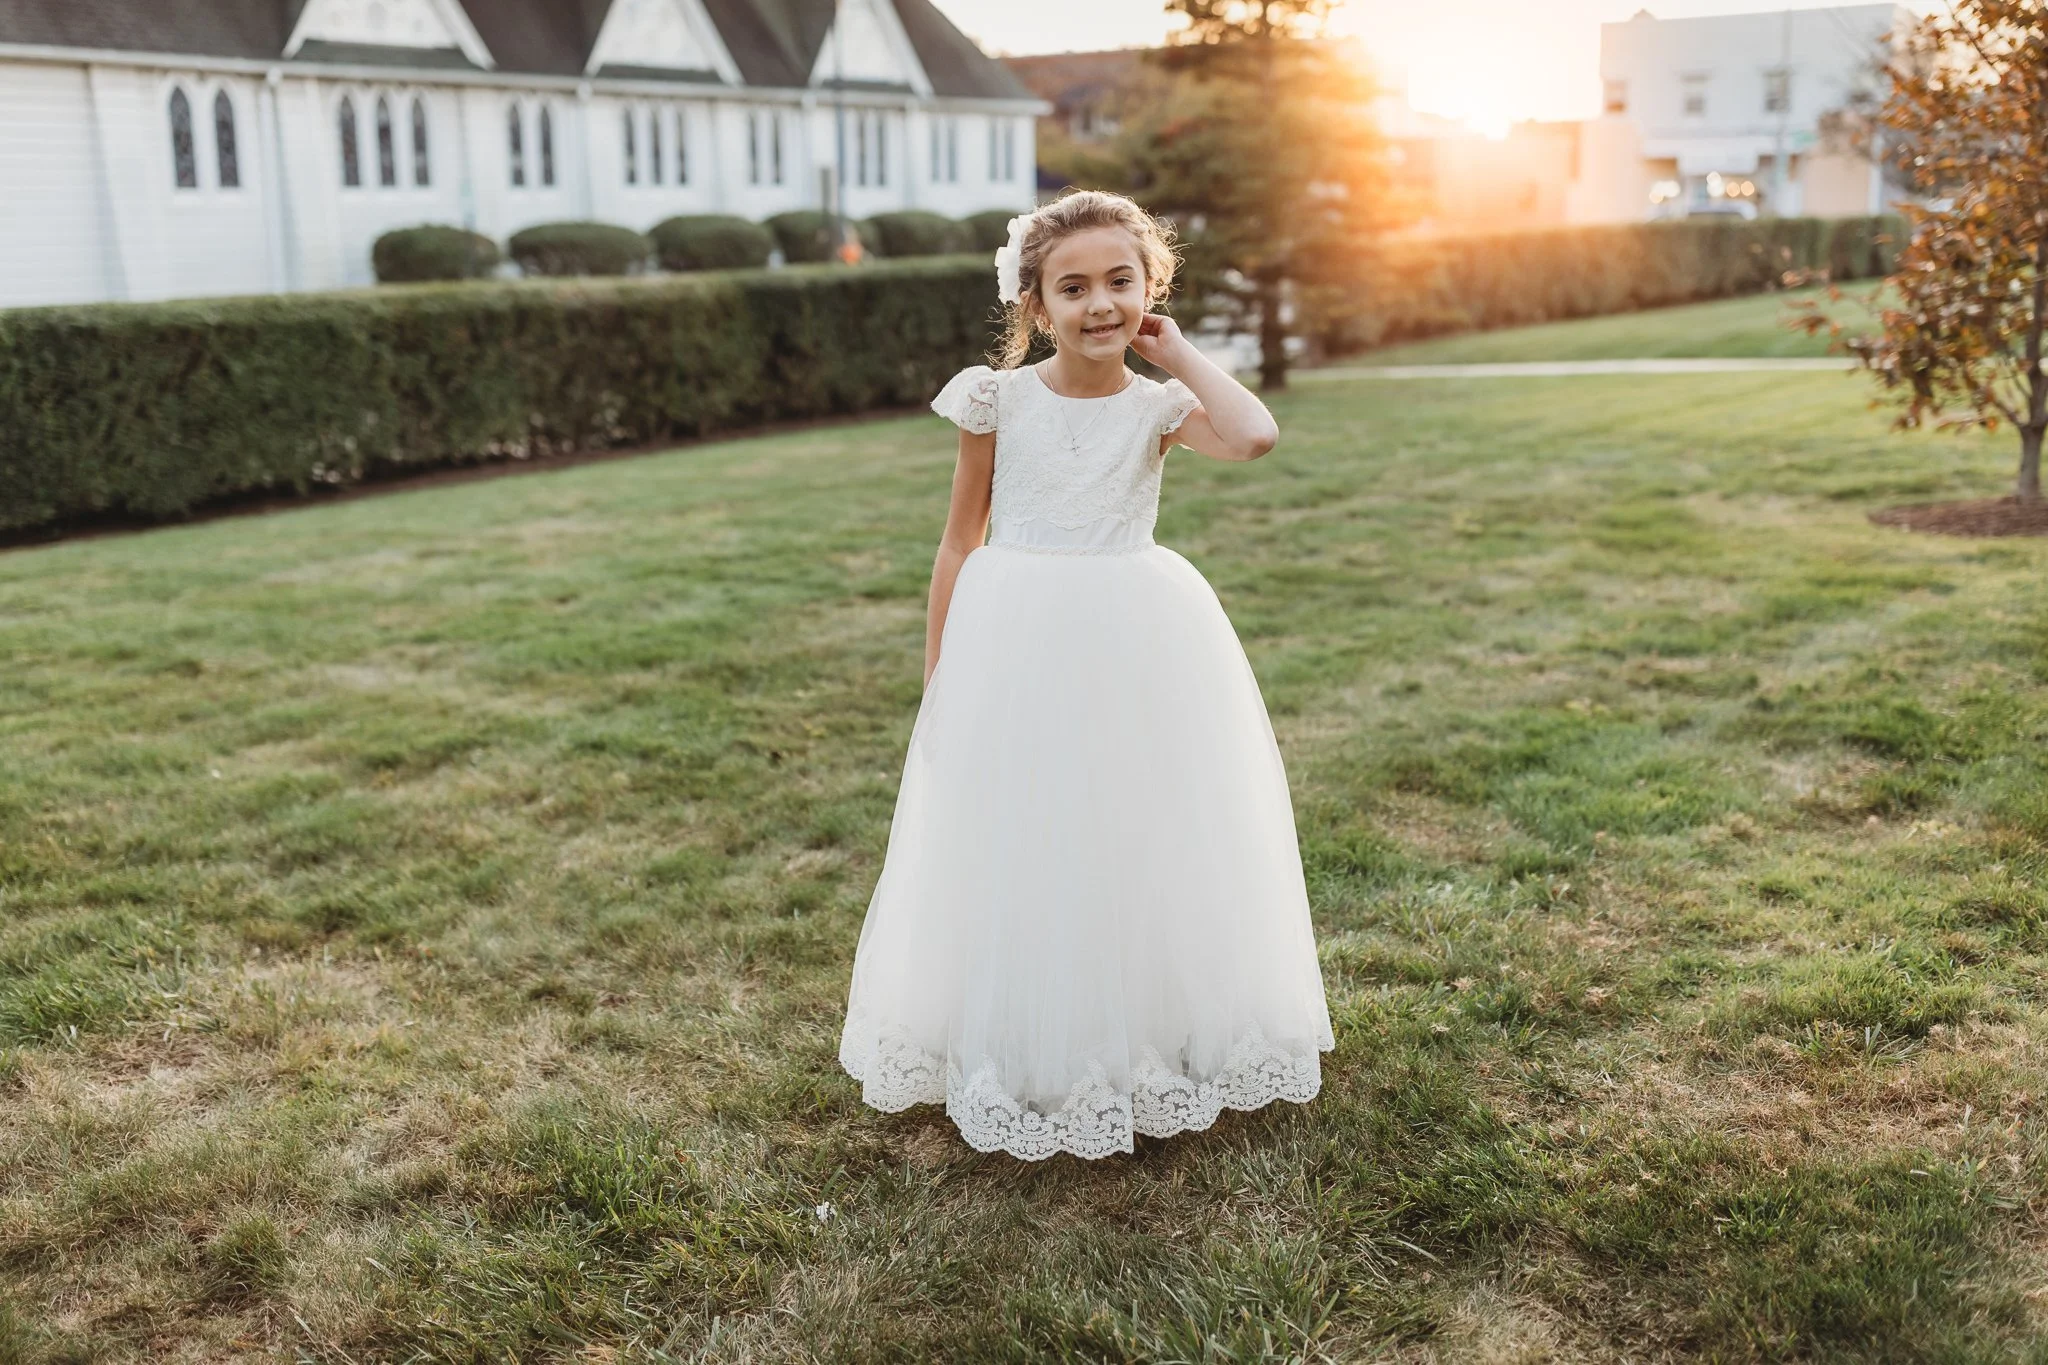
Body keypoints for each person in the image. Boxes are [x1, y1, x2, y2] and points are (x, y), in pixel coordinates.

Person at [837, 188, 1335, 1161]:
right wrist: (939, 672)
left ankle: (1139, 1028)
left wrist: (1178, 353)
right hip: (1011, 639)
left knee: (1129, 827)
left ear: (1149, 292)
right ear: (1035, 308)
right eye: (1072, 288)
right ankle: (1017, 1035)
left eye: (1120, 282)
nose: (1098, 304)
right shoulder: (995, 400)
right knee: (1020, 831)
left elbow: (1254, 437)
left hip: (1132, 637)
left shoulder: (1161, 406)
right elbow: (955, 543)